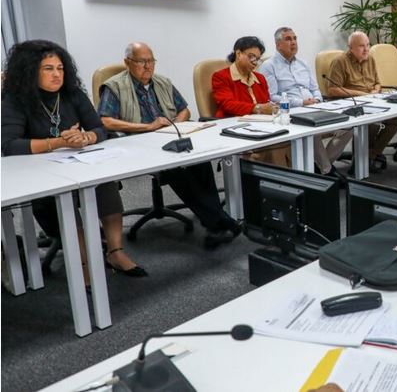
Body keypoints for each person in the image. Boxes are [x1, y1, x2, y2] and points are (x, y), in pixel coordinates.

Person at [1, 40, 146, 278]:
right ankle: (84, 266)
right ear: (30, 71)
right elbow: (9, 145)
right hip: (39, 176)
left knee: (105, 183)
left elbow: (99, 128)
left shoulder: (72, 94)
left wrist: (87, 137)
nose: (57, 74)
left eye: (60, 68)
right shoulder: (15, 101)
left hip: (77, 165)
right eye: (48, 69)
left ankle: (115, 251)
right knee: (66, 198)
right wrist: (58, 142)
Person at [98, 42, 241, 249]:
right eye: (142, 62)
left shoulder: (162, 82)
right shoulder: (114, 86)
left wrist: (176, 123)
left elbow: (185, 110)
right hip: (138, 143)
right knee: (176, 169)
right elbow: (105, 120)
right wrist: (147, 127)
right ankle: (218, 221)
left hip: (168, 137)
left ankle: (215, 220)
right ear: (127, 62)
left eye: (151, 61)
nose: (148, 66)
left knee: (199, 161)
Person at [258, 27, 353, 176]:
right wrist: (301, 103)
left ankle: (321, 165)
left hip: (315, 107)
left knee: (349, 126)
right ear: (278, 45)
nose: (293, 42)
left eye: (295, 38)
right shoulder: (268, 66)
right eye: (288, 39)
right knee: (311, 130)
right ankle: (327, 171)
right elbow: (272, 97)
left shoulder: (303, 63)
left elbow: (315, 88)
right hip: (292, 112)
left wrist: (317, 99)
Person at [212, 36, 291, 168]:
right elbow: (227, 104)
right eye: (251, 57)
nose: (255, 62)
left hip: (261, 127)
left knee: (290, 139)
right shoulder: (221, 77)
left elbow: (265, 103)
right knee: (276, 144)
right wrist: (258, 108)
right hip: (236, 127)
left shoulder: (260, 78)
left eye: (258, 59)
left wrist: (271, 108)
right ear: (238, 54)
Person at [326, 31, 397, 168]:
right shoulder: (340, 62)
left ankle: (371, 154)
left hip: (373, 99)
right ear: (351, 48)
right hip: (351, 103)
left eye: (368, 45)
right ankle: (364, 160)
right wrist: (361, 94)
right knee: (373, 122)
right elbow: (332, 90)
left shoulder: (370, 59)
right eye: (361, 46)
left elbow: (377, 83)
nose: (366, 49)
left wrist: (375, 91)